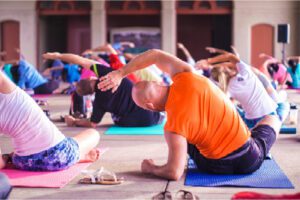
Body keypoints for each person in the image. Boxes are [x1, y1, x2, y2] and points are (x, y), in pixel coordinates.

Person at [97, 49, 281, 180]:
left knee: (185, 137)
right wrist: (120, 73)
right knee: (272, 118)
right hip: (249, 158)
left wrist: (151, 168)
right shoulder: (187, 74)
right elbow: (154, 55)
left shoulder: (173, 128)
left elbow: (174, 172)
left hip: (213, 167)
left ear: (150, 105)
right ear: (157, 83)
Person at [0, 68, 101, 171]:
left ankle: (76, 155)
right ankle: (78, 156)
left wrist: (7, 157)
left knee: (67, 144)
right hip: (57, 155)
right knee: (93, 133)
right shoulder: (8, 91)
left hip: (23, 162)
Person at [42, 52, 164, 128]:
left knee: (115, 117)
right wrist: (57, 56)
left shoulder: (99, 103)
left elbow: (92, 123)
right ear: (91, 78)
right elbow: (80, 60)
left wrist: (75, 121)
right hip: (155, 114)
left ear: (89, 94)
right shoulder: (107, 74)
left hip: (136, 122)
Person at [198, 47, 280, 128]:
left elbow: (222, 106)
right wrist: (208, 62)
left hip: (251, 120)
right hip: (269, 113)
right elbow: (230, 57)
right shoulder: (246, 73)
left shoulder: (228, 88)